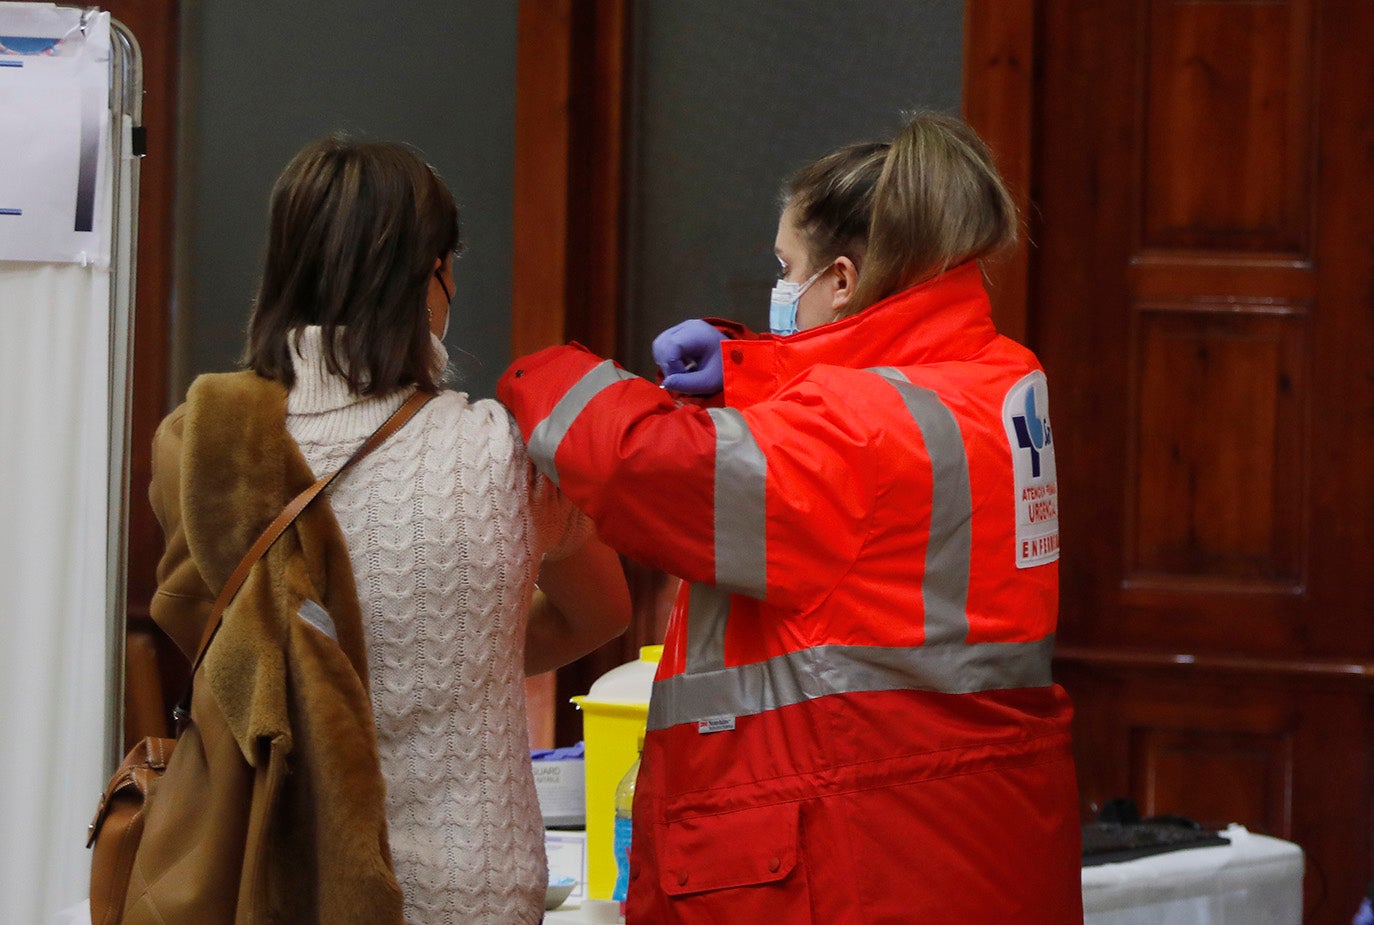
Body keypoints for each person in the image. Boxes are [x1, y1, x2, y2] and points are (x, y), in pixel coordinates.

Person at [496, 111, 1081, 923]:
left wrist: (544, 371)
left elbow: (643, 469)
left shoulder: (860, 431)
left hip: (858, 857)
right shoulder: (1001, 378)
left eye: (786, 267)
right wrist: (746, 365)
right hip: (971, 842)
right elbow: (858, 418)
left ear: (841, 280)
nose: (777, 287)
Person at [142, 136, 631, 923]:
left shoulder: (203, 447)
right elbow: (600, 612)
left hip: (275, 878)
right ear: (430, 277)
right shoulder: (503, 453)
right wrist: (468, 653)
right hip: (470, 889)